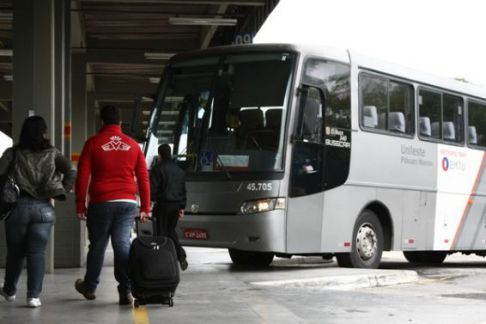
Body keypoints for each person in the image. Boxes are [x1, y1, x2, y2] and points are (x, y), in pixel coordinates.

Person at [74, 105, 151, 305]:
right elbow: (143, 178)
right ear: (120, 123)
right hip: (127, 202)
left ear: (102, 122)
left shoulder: (92, 143)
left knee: (98, 246)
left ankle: (89, 286)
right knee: (122, 244)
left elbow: (82, 176)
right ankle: (125, 290)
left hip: (101, 202)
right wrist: (145, 207)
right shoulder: (133, 145)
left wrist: (80, 205)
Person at [0, 116, 75, 308]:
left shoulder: (13, 153)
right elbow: (71, 171)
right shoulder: (53, 153)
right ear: (43, 132)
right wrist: (61, 190)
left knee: (15, 253)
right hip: (44, 209)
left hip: (18, 208)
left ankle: (9, 291)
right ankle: (33, 296)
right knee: (37, 253)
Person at [150, 144, 188, 270]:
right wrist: (182, 207)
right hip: (176, 206)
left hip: (163, 206)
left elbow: (153, 191)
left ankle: (164, 261)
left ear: (159, 154)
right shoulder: (179, 170)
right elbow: (183, 190)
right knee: (171, 231)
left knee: (161, 233)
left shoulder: (157, 169)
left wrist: (151, 200)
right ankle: (180, 256)